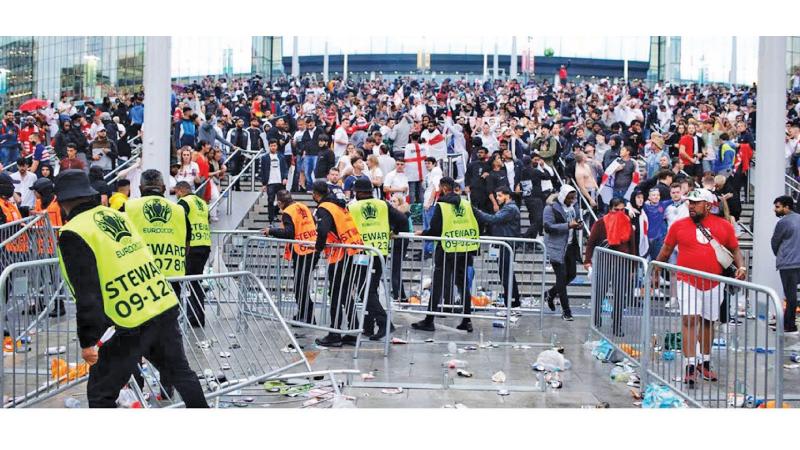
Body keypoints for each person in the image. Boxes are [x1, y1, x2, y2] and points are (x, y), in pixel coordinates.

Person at [54, 169, 207, 408]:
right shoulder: (115, 215)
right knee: (181, 373)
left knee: (100, 394)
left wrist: (88, 341)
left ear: (62, 201)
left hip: (126, 320)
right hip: (160, 304)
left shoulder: (73, 232)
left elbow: (88, 293)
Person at [654, 188, 746, 387]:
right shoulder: (678, 226)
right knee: (689, 319)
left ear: (708, 205)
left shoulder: (723, 226)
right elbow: (666, 250)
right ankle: (689, 366)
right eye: (690, 202)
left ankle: (703, 362)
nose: (691, 206)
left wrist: (742, 266)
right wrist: (654, 270)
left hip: (714, 282)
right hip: (687, 280)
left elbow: (735, 249)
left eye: (696, 203)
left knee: (708, 322)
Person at [411, 176, 479, 332]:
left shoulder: (441, 205)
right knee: (463, 286)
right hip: (464, 249)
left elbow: (435, 229)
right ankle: (467, 320)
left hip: (447, 250)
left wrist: (423, 233)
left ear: (443, 188)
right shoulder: (466, 204)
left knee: (437, 285)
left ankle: (429, 320)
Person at [348, 178, 407, 339]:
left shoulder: (352, 207)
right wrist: (392, 230)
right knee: (369, 290)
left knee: (364, 291)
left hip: (362, 254)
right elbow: (403, 220)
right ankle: (368, 327)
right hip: (380, 252)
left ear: (358, 192)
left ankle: (384, 323)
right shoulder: (383, 204)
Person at [311, 181, 364, 347]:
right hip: (352, 251)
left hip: (341, 255)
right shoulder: (339, 205)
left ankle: (334, 334)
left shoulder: (325, 208)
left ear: (315, 194)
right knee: (346, 293)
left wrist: (317, 250)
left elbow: (323, 230)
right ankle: (353, 330)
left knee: (335, 294)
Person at [262, 190, 318, 324]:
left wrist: (271, 231)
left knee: (300, 286)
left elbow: (288, 233)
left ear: (280, 203)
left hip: (302, 251)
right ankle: (306, 316)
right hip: (312, 248)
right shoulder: (302, 206)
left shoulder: (288, 212)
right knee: (303, 285)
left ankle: (306, 316)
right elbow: (314, 221)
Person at [584, 197, 635, 335]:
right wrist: (587, 261)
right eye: (616, 209)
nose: (619, 212)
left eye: (622, 210)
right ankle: (596, 319)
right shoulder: (601, 223)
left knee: (619, 295)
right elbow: (591, 243)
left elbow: (632, 245)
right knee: (600, 293)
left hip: (622, 262)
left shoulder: (627, 223)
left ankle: (617, 325)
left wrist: (633, 267)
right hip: (604, 261)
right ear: (610, 209)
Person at [472, 186, 521, 308]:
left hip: (506, 245)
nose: (497, 198)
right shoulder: (508, 208)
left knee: (507, 276)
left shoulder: (510, 209)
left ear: (507, 195)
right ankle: (512, 303)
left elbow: (494, 219)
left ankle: (513, 304)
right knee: (505, 275)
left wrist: (475, 211)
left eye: (500, 196)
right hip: (503, 244)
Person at [174, 181, 212, 328]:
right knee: (195, 282)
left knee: (189, 282)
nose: (176, 196)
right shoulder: (201, 202)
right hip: (205, 244)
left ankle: (192, 316)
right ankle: (197, 317)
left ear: (181, 190)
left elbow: (179, 221)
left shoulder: (184, 202)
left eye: (177, 193)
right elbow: (207, 220)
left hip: (192, 246)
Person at [543, 185, 582, 321]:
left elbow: (574, 221)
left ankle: (551, 293)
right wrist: (567, 226)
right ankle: (566, 311)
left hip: (570, 246)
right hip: (557, 248)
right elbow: (548, 227)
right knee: (561, 278)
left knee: (572, 274)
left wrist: (578, 225)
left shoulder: (573, 208)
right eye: (569, 198)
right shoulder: (550, 208)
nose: (571, 200)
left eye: (573, 198)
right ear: (562, 196)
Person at [771, 195, 800, 335]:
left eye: (778, 207)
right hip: (797, 261)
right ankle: (789, 323)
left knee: (790, 294)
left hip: (788, 263)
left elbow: (775, 242)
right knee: (792, 294)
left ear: (787, 207)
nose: (775, 210)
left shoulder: (783, 223)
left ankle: (789, 324)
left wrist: (780, 255)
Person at [259, 139, 289, 223]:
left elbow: (285, 168)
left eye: (274, 145)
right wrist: (264, 184)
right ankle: (271, 218)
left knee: (282, 200)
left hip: (280, 181)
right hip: (270, 182)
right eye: (271, 146)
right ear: (269, 146)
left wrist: (285, 178)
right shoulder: (265, 157)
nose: (273, 147)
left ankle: (275, 213)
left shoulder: (281, 156)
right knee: (270, 200)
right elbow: (263, 171)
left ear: (277, 146)